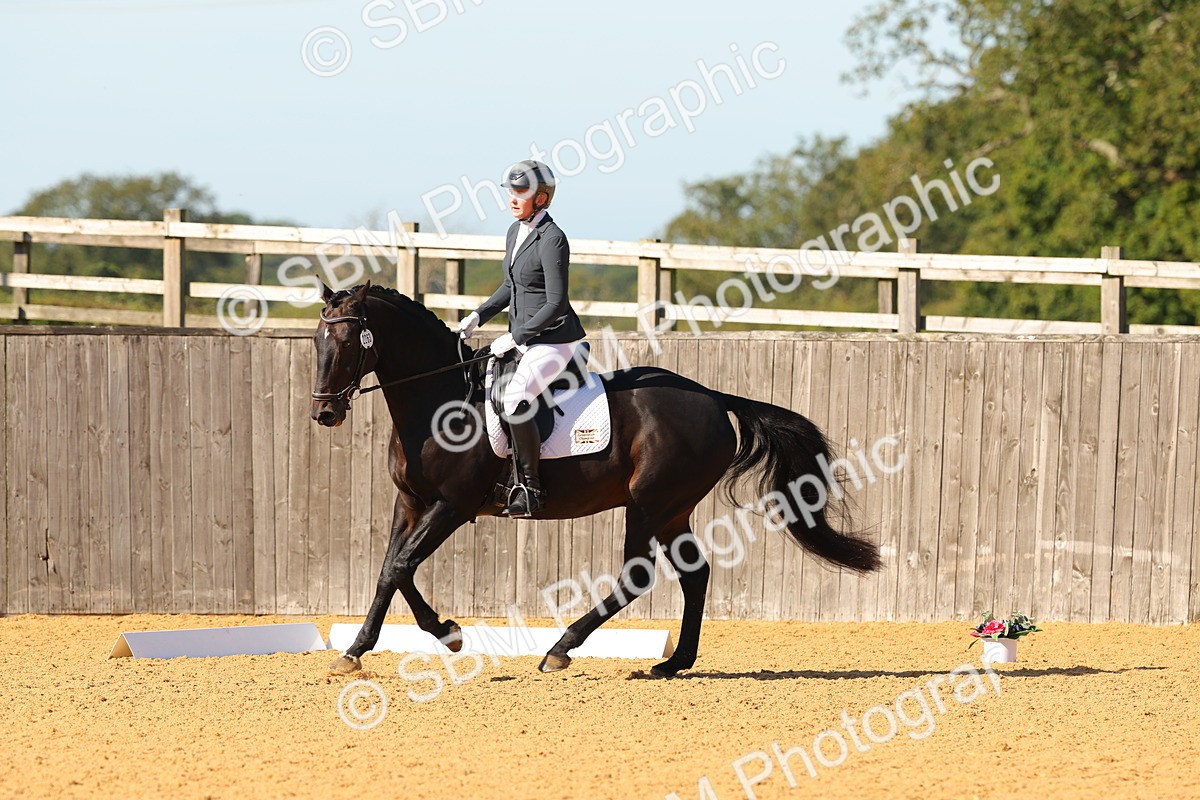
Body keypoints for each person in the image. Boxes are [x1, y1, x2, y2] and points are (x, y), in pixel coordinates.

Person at [456, 160, 586, 518]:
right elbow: (511, 287)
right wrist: (479, 315)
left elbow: (556, 303)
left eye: (521, 193)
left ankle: (530, 488)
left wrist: (516, 336)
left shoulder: (553, 238)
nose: (512, 199)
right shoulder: (516, 232)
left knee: (514, 400)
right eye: (510, 192)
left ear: (541, 198)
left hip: (553, 340)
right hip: (525, 337)